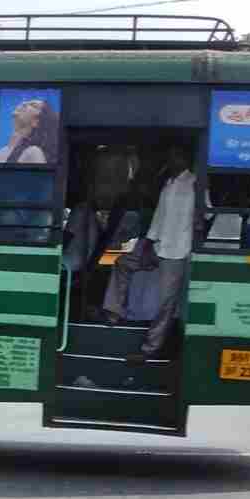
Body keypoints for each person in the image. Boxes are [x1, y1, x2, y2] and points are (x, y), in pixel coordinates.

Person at [101, 146, 196, 362]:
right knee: (121, 262)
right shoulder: (168, 183)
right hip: (156, 246)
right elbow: (159, 217)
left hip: (178, 251)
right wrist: (148, 245)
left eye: (174, 156)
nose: (170, 160)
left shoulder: (195, 184)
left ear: (184, 158)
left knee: (166, 302)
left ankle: (151, 348)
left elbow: (203, 217)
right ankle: (114, 312)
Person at [0, 99, 60, 165]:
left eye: (33, 105)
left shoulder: (33, 152)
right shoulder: (2, 151)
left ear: (36, 121)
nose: (24, 103)